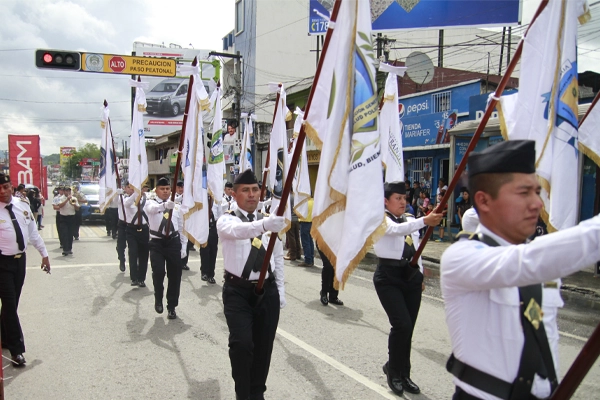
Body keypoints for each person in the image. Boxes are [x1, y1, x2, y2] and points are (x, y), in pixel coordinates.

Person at [440, 140, 600, 400]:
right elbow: (525, 262)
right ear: (484, 200)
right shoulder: (461, 258)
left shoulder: (541, 257)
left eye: (537, 192)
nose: (537, 203)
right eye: (524, 193)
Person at [216, 169, 287, 400]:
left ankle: (257, 393)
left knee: (263, 348)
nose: (252, 194)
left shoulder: (267, 220)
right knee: (242, 345)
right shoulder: (227, 219)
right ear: (234, 194)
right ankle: (243, 394)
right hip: (238, 292)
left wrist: (281, 289)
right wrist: (266, 225)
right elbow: (238, 231)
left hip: (267, 291)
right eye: (245, 190)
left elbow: (277, 257)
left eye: (255, 189)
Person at [373, 181, 443, 397]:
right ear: (386, 201)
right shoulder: (379, 220)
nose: (403, 202)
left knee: (409, 329)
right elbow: (395, 230)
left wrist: (419, 275)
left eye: (405, 198)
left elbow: (416, 250)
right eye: (398, 198)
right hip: (388, 277)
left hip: (410, 276)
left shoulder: (410, 219)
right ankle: (392, 370)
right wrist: (425, 220)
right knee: (401, 324)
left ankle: (404, 373)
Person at [0, 173, 51, 367]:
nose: (3, 191)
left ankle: (4, 337)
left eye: (6, 186)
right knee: (10, 305)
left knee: (12, 304)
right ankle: (17, 350)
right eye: (0, 188)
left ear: (11, 186)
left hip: (19, 262)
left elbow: (32, 232)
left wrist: (44, 254)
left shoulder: (22, 205)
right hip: (2, 263)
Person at [144, 177, 187, 319]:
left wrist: (183, 246)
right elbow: (152, 210)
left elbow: (181, 227)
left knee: (175, 275)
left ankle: (172, 306)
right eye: (162, 189)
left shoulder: (176, 207)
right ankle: (158, 299)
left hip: (173, 243)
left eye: (168, 189)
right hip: (157, 243)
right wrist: (164, 206)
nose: (165, 191)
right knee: (158, 272)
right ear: (156, 190)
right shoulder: (150, 202)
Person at [121, 184, 150, 287]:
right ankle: (134, 278)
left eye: (143, 188)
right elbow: (126, 205)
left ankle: (141, 278)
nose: (142, 190)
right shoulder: (128, 199)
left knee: (144, 255)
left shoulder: (149, 199)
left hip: (144, 230)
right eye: (139, 188)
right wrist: (135, 194)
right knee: (133, 253)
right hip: (131, 229)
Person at [55, 186, 79, 256]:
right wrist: (66, 200)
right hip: (63, 218)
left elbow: (77, 209)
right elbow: (60, 206)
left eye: (69, 191)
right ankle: (65, 249)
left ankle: (69, 249)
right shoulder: (60, 198)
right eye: (66, 191)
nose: (68, 192)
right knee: (64, 233)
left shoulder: (74, 198)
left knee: (70, 234)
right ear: (64, 191)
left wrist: (73, 205)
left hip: (71, 217)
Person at [200, 194, 219, 284]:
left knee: (213, 251)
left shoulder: (217, 199)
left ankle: (211, 274)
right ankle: (204, 272)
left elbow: (220, 214)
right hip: (203, 227)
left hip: (213, 228)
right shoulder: (200, 197)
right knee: (204, 251)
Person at [284, 193, 302, 261]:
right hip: (296, 219)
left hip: (290, 219)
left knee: (291, 238)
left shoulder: (287, 197)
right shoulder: (296, 196)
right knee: (296, 237)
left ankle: (292, 255)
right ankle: (298, 253)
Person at [298, 196, 314, 267]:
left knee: (305, 242)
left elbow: (299, 213)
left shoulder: (304, 203)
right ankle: (311, 259)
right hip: (311, 222)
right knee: (310, 241)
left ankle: (307, 260)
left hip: (305, 222)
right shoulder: (313, 201)